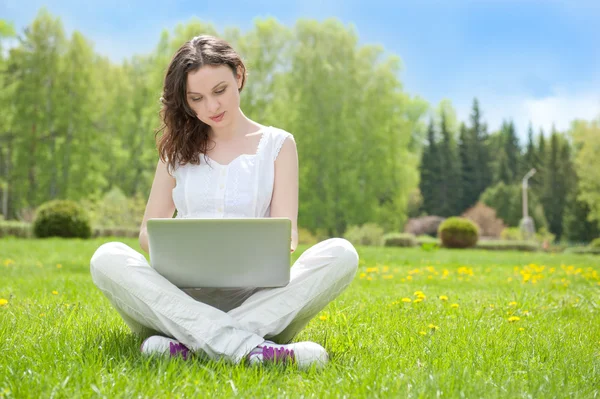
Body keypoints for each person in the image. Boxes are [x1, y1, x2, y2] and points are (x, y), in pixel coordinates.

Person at [89, 35, 359, 370]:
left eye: (220, 91)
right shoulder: (175, 151)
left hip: (257, 299)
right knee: (106, 257)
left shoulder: (278, 144)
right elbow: (147, 231)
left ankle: (188, 345)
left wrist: (265, 245)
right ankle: (254, 350)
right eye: (196, 99)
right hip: (180, 296)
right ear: (185, 102)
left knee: (342, 254)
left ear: (239, 77)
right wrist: (182, 245)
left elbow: (286, 233)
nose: (211, 107)